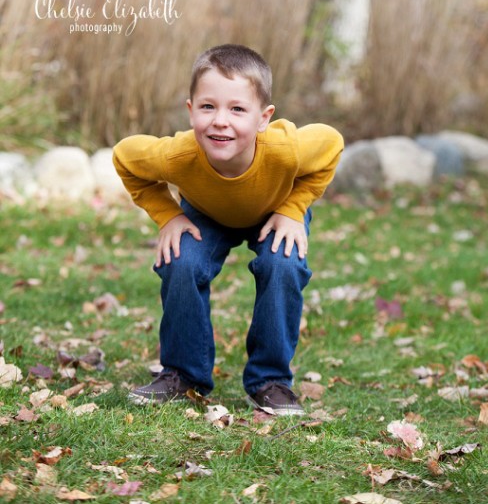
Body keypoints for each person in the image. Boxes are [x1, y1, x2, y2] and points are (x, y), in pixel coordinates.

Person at [113, 44, 343, 415]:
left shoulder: (286, 150)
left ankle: (270, 380)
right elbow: (125, 156)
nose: (221, 120)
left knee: (282, 265)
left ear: (263, 117)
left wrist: (293, 208)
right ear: (191, 111)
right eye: (208, 107)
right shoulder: (178, 155)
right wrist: (168, 216)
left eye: (237, 109)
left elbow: (332, 143)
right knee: (182, 261)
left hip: (275, 211)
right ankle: (184, 374)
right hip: (205, 213)